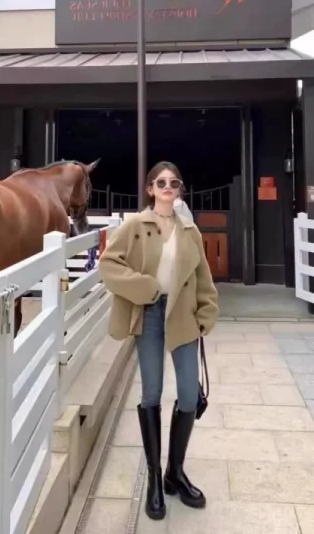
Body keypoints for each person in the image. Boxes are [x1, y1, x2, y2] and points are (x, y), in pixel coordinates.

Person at [98, 161, 218, 521]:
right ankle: (153, 479)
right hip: (149, 313)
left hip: (182, 313)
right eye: (161, 182)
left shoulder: (190, 230)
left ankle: (174, 473)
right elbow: (109, 264)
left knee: (188, 394)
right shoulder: (135, 225)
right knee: (151, 392)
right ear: (150, 188)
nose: (168, 186)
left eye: (174, 182)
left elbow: (203, 277)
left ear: (179, 189)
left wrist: (206, 312)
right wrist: (145, 287)